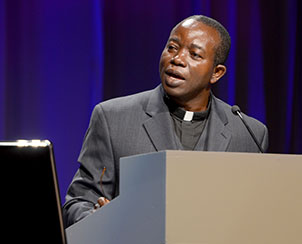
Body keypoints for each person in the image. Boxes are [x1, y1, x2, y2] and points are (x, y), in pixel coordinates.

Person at [63, 15, 269, 227]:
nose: (177, 58)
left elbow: (256, 216)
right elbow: (78, 203)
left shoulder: (248, 133)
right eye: (172, 47)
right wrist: (100, 220)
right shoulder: (113, 117)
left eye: (194, 54)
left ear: (216, 73)